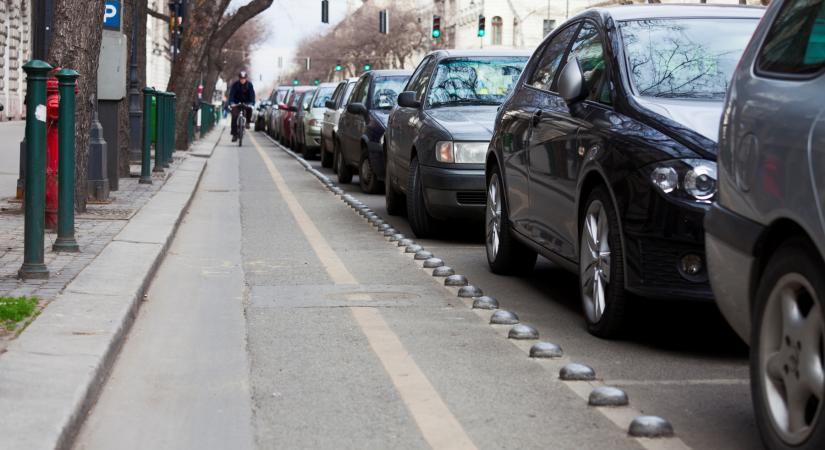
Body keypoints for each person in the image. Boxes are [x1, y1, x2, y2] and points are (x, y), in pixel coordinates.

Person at [229, 70, 256, 142]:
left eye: (244, 78)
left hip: (246, 102)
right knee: (234, 116)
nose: (242, 80)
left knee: (249, 109)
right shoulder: (235, 85)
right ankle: (234, 134)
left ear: (246, 78)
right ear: (239, 78)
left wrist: (252, 103)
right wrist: (231, 103)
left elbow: (252, 95)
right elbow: (231, 95)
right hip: (237, 103)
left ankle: (247, 122)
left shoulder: (249, 85)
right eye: (241, 78)